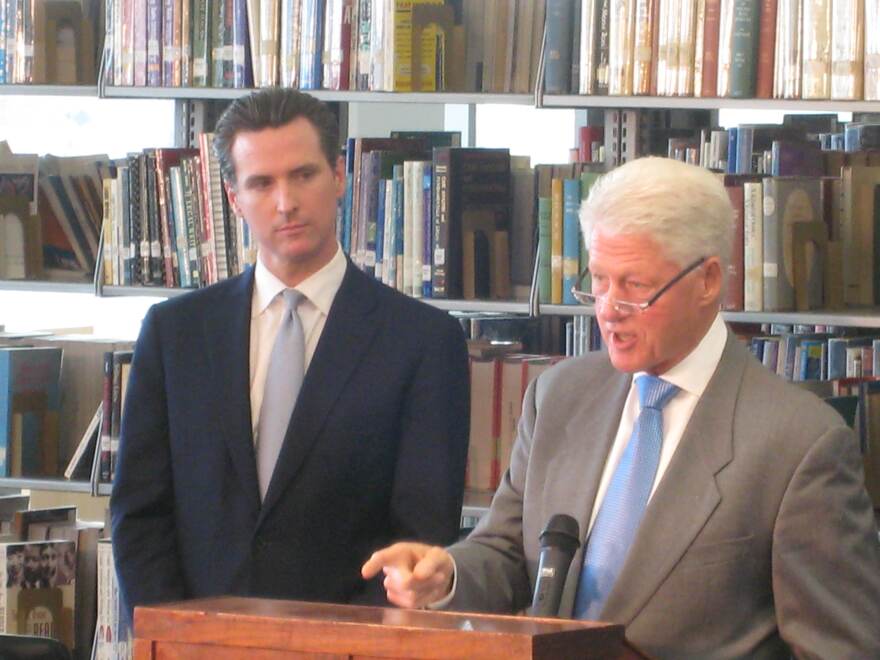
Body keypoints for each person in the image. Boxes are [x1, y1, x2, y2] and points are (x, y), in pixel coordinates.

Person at [363, 157, 880, 658]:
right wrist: (445, 575)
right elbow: (507, 554)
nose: (608, 310)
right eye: (599, 281)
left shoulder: (799, 444)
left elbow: (840, 648)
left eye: (634, 286)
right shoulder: (559, 395)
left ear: (708, 281)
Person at [111, 88, 470, 620]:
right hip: (198, 644)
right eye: (261, 183)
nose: (286, 202)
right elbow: (139, 515)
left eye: (304, 175)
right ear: (233, 199)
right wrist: (183, 636)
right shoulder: (175, 333)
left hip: (351, 650)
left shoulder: (422, 341)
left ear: (340, 177)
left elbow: (420, 536)